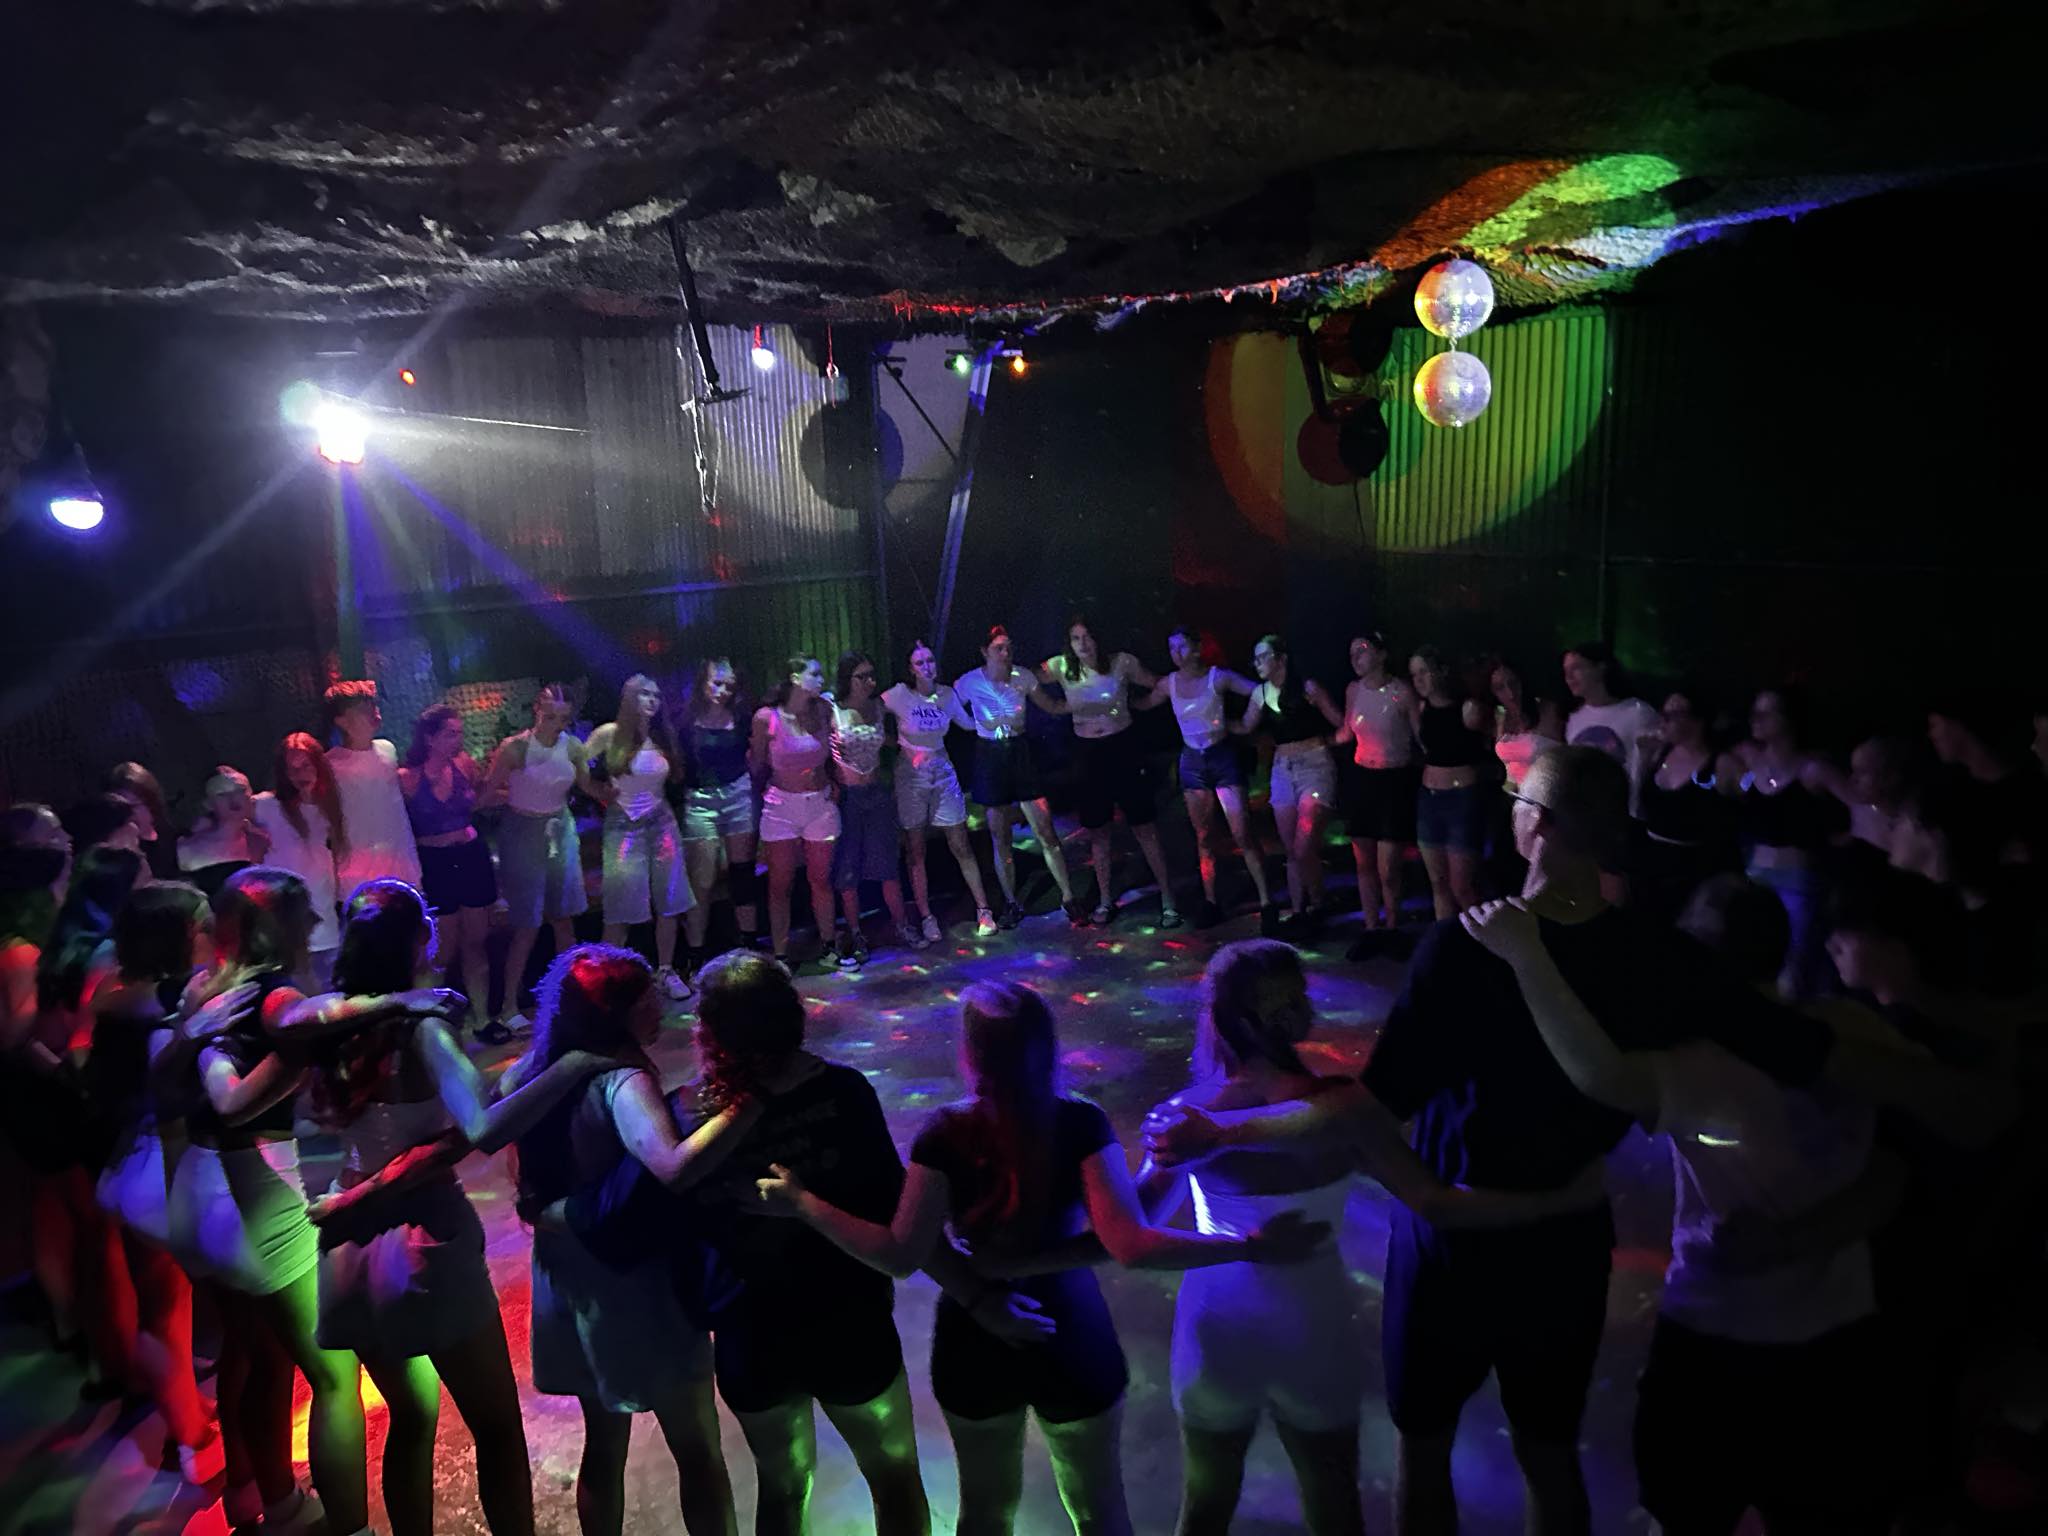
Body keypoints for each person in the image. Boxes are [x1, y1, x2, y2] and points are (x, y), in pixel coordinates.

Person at [1146, 748, 1844, 1536]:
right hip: (1568, 1236)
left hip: (1452, 1245)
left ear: (1535, 824)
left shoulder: (1462, 946)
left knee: (1425, 1448)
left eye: (1518, 799)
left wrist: (1222, 1129)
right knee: (1550, 1454)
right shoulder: (1653, 956)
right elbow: (1790, 1042)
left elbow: (1370, 1107)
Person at [756, 976, 1328, 1536]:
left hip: (975, 1338)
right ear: (1047, 1044)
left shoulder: (944, 1133)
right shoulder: (1080, 1122)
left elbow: (903, 1252)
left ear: (970, 1053)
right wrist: (1249, 1244)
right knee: (1098, 1511)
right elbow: (1128, 1240)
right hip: (1071, 1330)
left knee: (985, 1513)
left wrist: (804, 1203)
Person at [1463, 877, 1895, 1535]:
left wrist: (1526, 955)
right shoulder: (1851, 1028)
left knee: (1690, 1512)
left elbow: (1601, 1074)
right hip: (1842, 1337)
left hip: (1719, 1336)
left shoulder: (1699, 1066)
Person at [1139, 941, 1605, 1536]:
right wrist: (1556, 1201)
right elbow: (1435, 1202)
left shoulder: (1186, 1116)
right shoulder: (1343, 1109)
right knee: (1334, 1503)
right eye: (1298, 997)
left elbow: (1132, 1228)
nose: (1305, 1007)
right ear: (1280, 1013)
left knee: (1204, 1504)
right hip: (1313, 1329)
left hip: (1214, 1327)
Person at [273, 879, 611, 1536]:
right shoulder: (424, 1029)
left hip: (349, 1244)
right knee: (497, 1427)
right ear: (420, 941)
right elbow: (482, 1127)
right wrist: (568, 1069)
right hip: (423, 1240)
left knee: (409, 1417)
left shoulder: (329, 1025)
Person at [574, 951, 932, 1536]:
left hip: (752, 1335)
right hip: (850, 1320)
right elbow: (892, 1209)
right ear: (793, 1016)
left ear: (709, 1029)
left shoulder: (686, 1114)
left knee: (784, 1486)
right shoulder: (844, 1092)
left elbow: (639, 1220)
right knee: (893, 1474)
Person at [507, 945, 759, 1536]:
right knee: (696, 1446)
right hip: (632, 1288)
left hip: (566, 1278)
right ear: (615, 1012)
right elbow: (672, 1166)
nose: (662, 1009)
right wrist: (747, 1104)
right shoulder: (623, 1081)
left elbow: (524, 1187)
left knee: (603, 1442)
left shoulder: (526, 1075)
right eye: (648, 999)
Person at [164, 867, 370, 1536]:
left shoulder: (203, 987)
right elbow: (249, 1079)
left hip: (195, 1189)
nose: (314, 925)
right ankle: (339, 1523)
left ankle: (257, 1497)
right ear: (279, 928)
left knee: (251, 1351)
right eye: (304, 915)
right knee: (334, 1374)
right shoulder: (278, 996)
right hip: (253, 1197)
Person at [88, 881, 222, 1481]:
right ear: (179, 936)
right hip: (159, 1170)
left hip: (122, 1167)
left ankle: (184, 1414)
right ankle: (192, 1440)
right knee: (168, 1307)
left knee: (163, 1305)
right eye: (204, 923)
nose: (214, 932)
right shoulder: (172, 1006)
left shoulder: (119, 995)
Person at [1040, 617, 1180, 927]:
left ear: (1099, 638)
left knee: (1144, 827)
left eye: (1088, 636)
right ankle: (1104, 899)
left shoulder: (1121, 662)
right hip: (1087, 754)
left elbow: (1158, 683)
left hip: (1123, 749)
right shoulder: (1061, 666)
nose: (1083, 644)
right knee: (1098, 831)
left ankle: (1168, 899)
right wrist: (1052, 706)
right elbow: (1025, 679)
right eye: (1076, 638)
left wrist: (1147, 702)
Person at [955, 625, 1085, 928]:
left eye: (1009, 647)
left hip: (1020, 752)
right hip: (990, 755)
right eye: (999, 648)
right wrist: (969, 725)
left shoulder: (1023, 676)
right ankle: (1011, 902)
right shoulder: (969, 681)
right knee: (1000, 836)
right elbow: (948, 706)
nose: (1006, 653)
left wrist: (1082, 701)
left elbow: (1050, 705)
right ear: (985, 652)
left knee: (1045, 829)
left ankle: (1069, 897)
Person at [1718, 688, 1843, 999]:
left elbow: (1861, 807)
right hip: (1756, 876)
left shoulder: (1812, 770)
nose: (1756, 718)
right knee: (1749, 960)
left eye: (1767, 712)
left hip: (1796, 883)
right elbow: (1727, 787)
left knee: (1791, 974)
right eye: (1755, 711)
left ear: (1789, 719)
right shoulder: (1750, 762)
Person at [1146, 625, 1270, 926]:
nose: (1176, 654)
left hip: (1221, 757)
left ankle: (1267, 900)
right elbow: (1142, 702)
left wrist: (1245, 724)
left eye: (1181, 646)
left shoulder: (1218, 677)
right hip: (1192, 762)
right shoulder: (1169, 683)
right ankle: (1211, 901)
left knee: (1242, 832)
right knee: (1204, 837)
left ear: (1197, 648)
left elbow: (1260, 691)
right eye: (1171, 648)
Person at [484, 685, 591, 1029]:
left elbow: (588, 786)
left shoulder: (572, 746)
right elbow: (486, 793)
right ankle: (508, 1006)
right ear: (536, 711)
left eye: (563, 719)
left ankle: (570, 997)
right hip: (522, 833)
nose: (556, 725)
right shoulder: (515, 747)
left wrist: (617, 792)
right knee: (526, 924)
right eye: (550, 717)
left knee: (564, 918)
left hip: (561, 829)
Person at [583, 674, 694, 1000]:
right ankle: (605, 977)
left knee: (670, 900)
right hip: (623, 823)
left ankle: (665, 970)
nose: (652, 700)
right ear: (629, 697)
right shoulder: (609, 733)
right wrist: (597, 792)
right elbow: (577, 766)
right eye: (644, 694)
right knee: (621, 904)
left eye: (656, 695)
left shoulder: (662, 735)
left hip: (661, 821)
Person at [883, 641, 997, 940]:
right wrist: (890, 742)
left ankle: (984, 909)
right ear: (910, 668)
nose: (927, 667)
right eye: (920, 663)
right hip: (911, 775)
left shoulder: (946, 695)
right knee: (916, 848)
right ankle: (926, 916)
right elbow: (870, 711)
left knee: (960, 842)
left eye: (930, 661)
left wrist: (995, 709)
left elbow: (968, 723)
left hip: (942, 770)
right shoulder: (899, 694)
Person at [1242, 634, 1343, 934]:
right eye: (1255, 658)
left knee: (1303, 847)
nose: (1257, 663)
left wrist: (1328, 741)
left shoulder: (1308, 688)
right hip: (1282, 769)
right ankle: (1300, 911)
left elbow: (1340, 721)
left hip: (1315, 766)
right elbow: (1245, 726)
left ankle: (1318, 902)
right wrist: (1207, 724)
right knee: (1291, 849)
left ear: (1281, 658)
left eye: (1263, 656)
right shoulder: (1260, 693)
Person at [750, 656, 843, 967]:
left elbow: (836, 751)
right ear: (794, 677)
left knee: (821, 879)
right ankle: (780, 954)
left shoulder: (823, 710)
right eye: (814, 674)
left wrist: (833, 780)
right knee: (780, 883)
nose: (821, 679)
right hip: (782, 805)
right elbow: (757, 762)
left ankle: (829, 946)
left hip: (819, 803)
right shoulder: (767, 717)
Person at [831, 651, 919, 964]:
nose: (870, 681)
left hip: (876, 792)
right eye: (862, 676)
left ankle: (902, 925)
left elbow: (890, 739)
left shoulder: (878, 707)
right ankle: (855, 933)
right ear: (848, 679)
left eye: (872, 675)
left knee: (887, 864)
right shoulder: (833, 710)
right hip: (848, 796)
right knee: (848, 867)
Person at [674, 658, 760, 963]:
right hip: (700, 799)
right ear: (703, 682)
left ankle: (749, 947)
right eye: (717, 683)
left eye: (729, 686)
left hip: (737, 793)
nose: (723, 691)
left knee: (742, 873)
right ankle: (696, 954)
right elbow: (677, 764)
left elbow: (755, 754)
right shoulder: (685, 720)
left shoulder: (741, 716)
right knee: (703, 880)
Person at [1335, 631, 1417, 947]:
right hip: (1363, 779)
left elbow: (1420, 735)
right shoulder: (1353, 690)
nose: (1355, 658)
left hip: (1393, 780)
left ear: (1381, 655)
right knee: (1363, 862)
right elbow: (1346, 731)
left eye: (1363, 650)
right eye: (1351, 653)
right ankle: (1371, 928)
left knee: (1388, 867)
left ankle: (1393, 927)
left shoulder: (1401, 691)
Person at [1634, 689, 1736, 924]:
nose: (1664, 722)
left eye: (1672, 715)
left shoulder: (1722, 764)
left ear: (1697, 720)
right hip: (1651, 862)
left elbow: (1747, 795)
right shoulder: (1660, 753)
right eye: (1664, 714)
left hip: (1691, 869)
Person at [252, 732, 343, 986]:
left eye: (306, 766)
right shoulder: (265, 806)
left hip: (326, 927)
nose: (300, 774)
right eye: (292, 769)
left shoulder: (329, 809)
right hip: (285, 931)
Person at [1405, 646, 1488, 921]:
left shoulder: (1468, 708)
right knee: (1438, 883)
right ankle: (1447, 940)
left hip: (1461, 798)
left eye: (1423, 672)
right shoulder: (1422, 708)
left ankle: (1480, 937)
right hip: (1429, 798)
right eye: (1414, 674)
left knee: (1462, 886)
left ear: (1440, 672)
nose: (1418, 680)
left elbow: (1491, 745)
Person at [325, 679, 423, 894]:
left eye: (373, 706)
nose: (373, 713)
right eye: (362, 709)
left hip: (402, 862)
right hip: (358, 871)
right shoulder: (330, 764)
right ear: (342, 721)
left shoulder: (388, 749)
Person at [1559, 642, 1659, 808]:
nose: (1569, 677)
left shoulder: (1638, 713)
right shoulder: (1574, 718)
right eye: (1565, 671)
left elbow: (1645, 770)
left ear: (1601, 668)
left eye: (1576, 668)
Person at [178, 765, 266, 897]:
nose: (233, 798)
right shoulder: (187, 848)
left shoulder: (260, 841)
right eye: (222, 794)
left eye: (240, 790)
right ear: (208, 804)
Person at [106, 761, 180, 881]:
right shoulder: (114, 844)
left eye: (134, 806)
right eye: (120, 806)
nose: (128, 813)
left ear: (150, 803)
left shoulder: (172, 838)